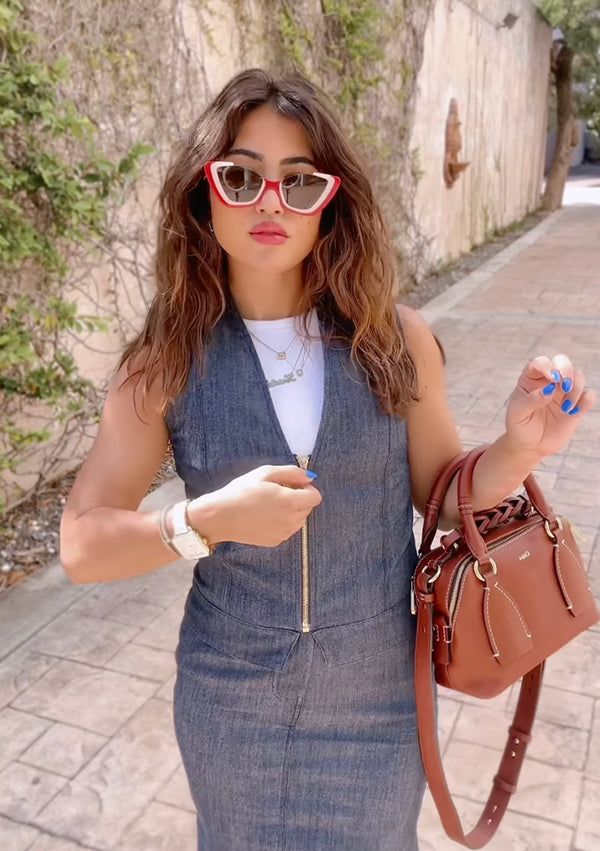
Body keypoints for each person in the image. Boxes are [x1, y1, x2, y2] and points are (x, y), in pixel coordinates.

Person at [60, 68, 596, 851]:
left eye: (298, 181)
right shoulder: (164, 362)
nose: (270, 201)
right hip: (230, 698)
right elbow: (80, 545)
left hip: (379, 698)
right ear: (203, 194)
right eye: (241, 177)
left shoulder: (395, 339)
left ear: (329, 203)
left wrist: (520, 447)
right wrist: (202, 522)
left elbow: (443, 497)